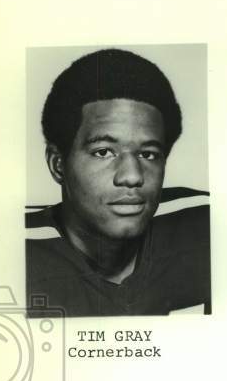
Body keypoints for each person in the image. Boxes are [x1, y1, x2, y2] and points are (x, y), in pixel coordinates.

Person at [26, 48, 211, 317]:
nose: (132, 176)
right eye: (103, 152)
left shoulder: (203, 222)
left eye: (148, 154)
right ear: (57, 164)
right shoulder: (10, 251)